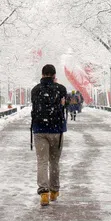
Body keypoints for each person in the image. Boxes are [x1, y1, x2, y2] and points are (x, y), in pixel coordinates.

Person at [30, 64, 67, 206]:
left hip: (39, 130)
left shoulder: (35, 90)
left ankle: (43, 192)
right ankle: (54, 191)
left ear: (42, 74)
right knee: (54, 162)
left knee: (42, 162)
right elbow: (65, 105)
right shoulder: (61, 89)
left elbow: (35, 106)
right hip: (57, 130)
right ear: (54, 75)